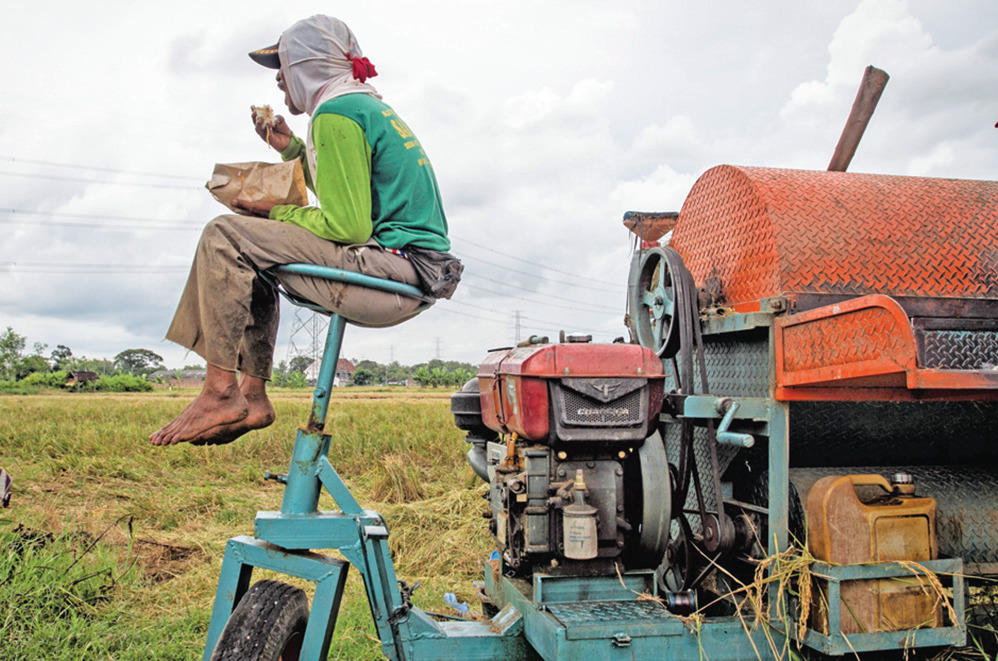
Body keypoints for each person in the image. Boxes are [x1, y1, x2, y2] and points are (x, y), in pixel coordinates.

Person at [150, 15, 460, 447]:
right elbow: (352, 195)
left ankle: (220, 391)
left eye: (284, 63)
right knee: (253, 257)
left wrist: (275, 212)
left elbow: (348, 225)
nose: (278, 77)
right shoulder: (363, 107)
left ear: (308, 64)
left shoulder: (335, 116)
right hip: (411, 271)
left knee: (225, 235)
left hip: (389, 269)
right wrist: (292, 150)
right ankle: (252, 396)